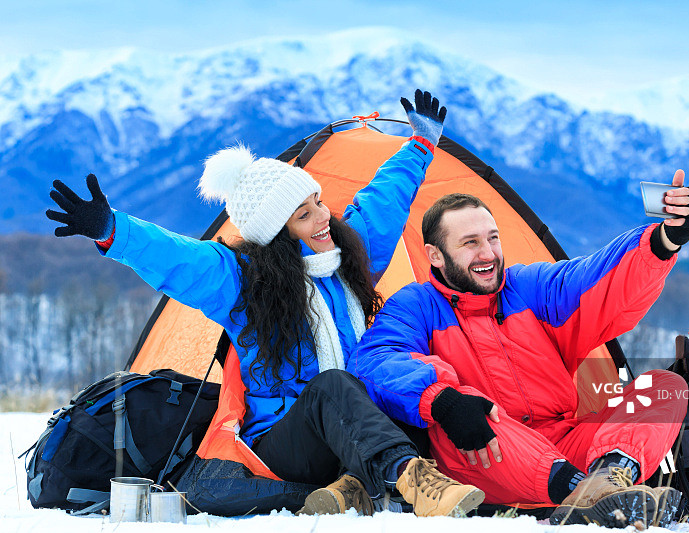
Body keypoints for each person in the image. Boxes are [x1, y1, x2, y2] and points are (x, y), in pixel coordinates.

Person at [45, 90, 486, 518]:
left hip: (354, 428)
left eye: (318, 202)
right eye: (304, 214)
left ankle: (353, 487)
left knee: (411, 393)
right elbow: (179, 260)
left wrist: (421, 145)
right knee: (332, 386)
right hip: (287, 443)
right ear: (276, 232)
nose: (323, 218)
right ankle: (415, 480)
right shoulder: (243, 282)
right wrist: (113, 230)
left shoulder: (346, 257)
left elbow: (384, 201)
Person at [349, 171, 689, 528]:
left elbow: (594, 279)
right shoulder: (416, 305)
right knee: (473, 407)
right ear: (435, 255)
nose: (488, 253)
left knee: (665, 386)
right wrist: (441, 399)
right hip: (488, 454)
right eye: (470, 243)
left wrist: (663, 241)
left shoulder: (527, 288)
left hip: (565, 443)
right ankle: (586, 495)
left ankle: (607, 482)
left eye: (493, 238)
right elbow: (376, 359)